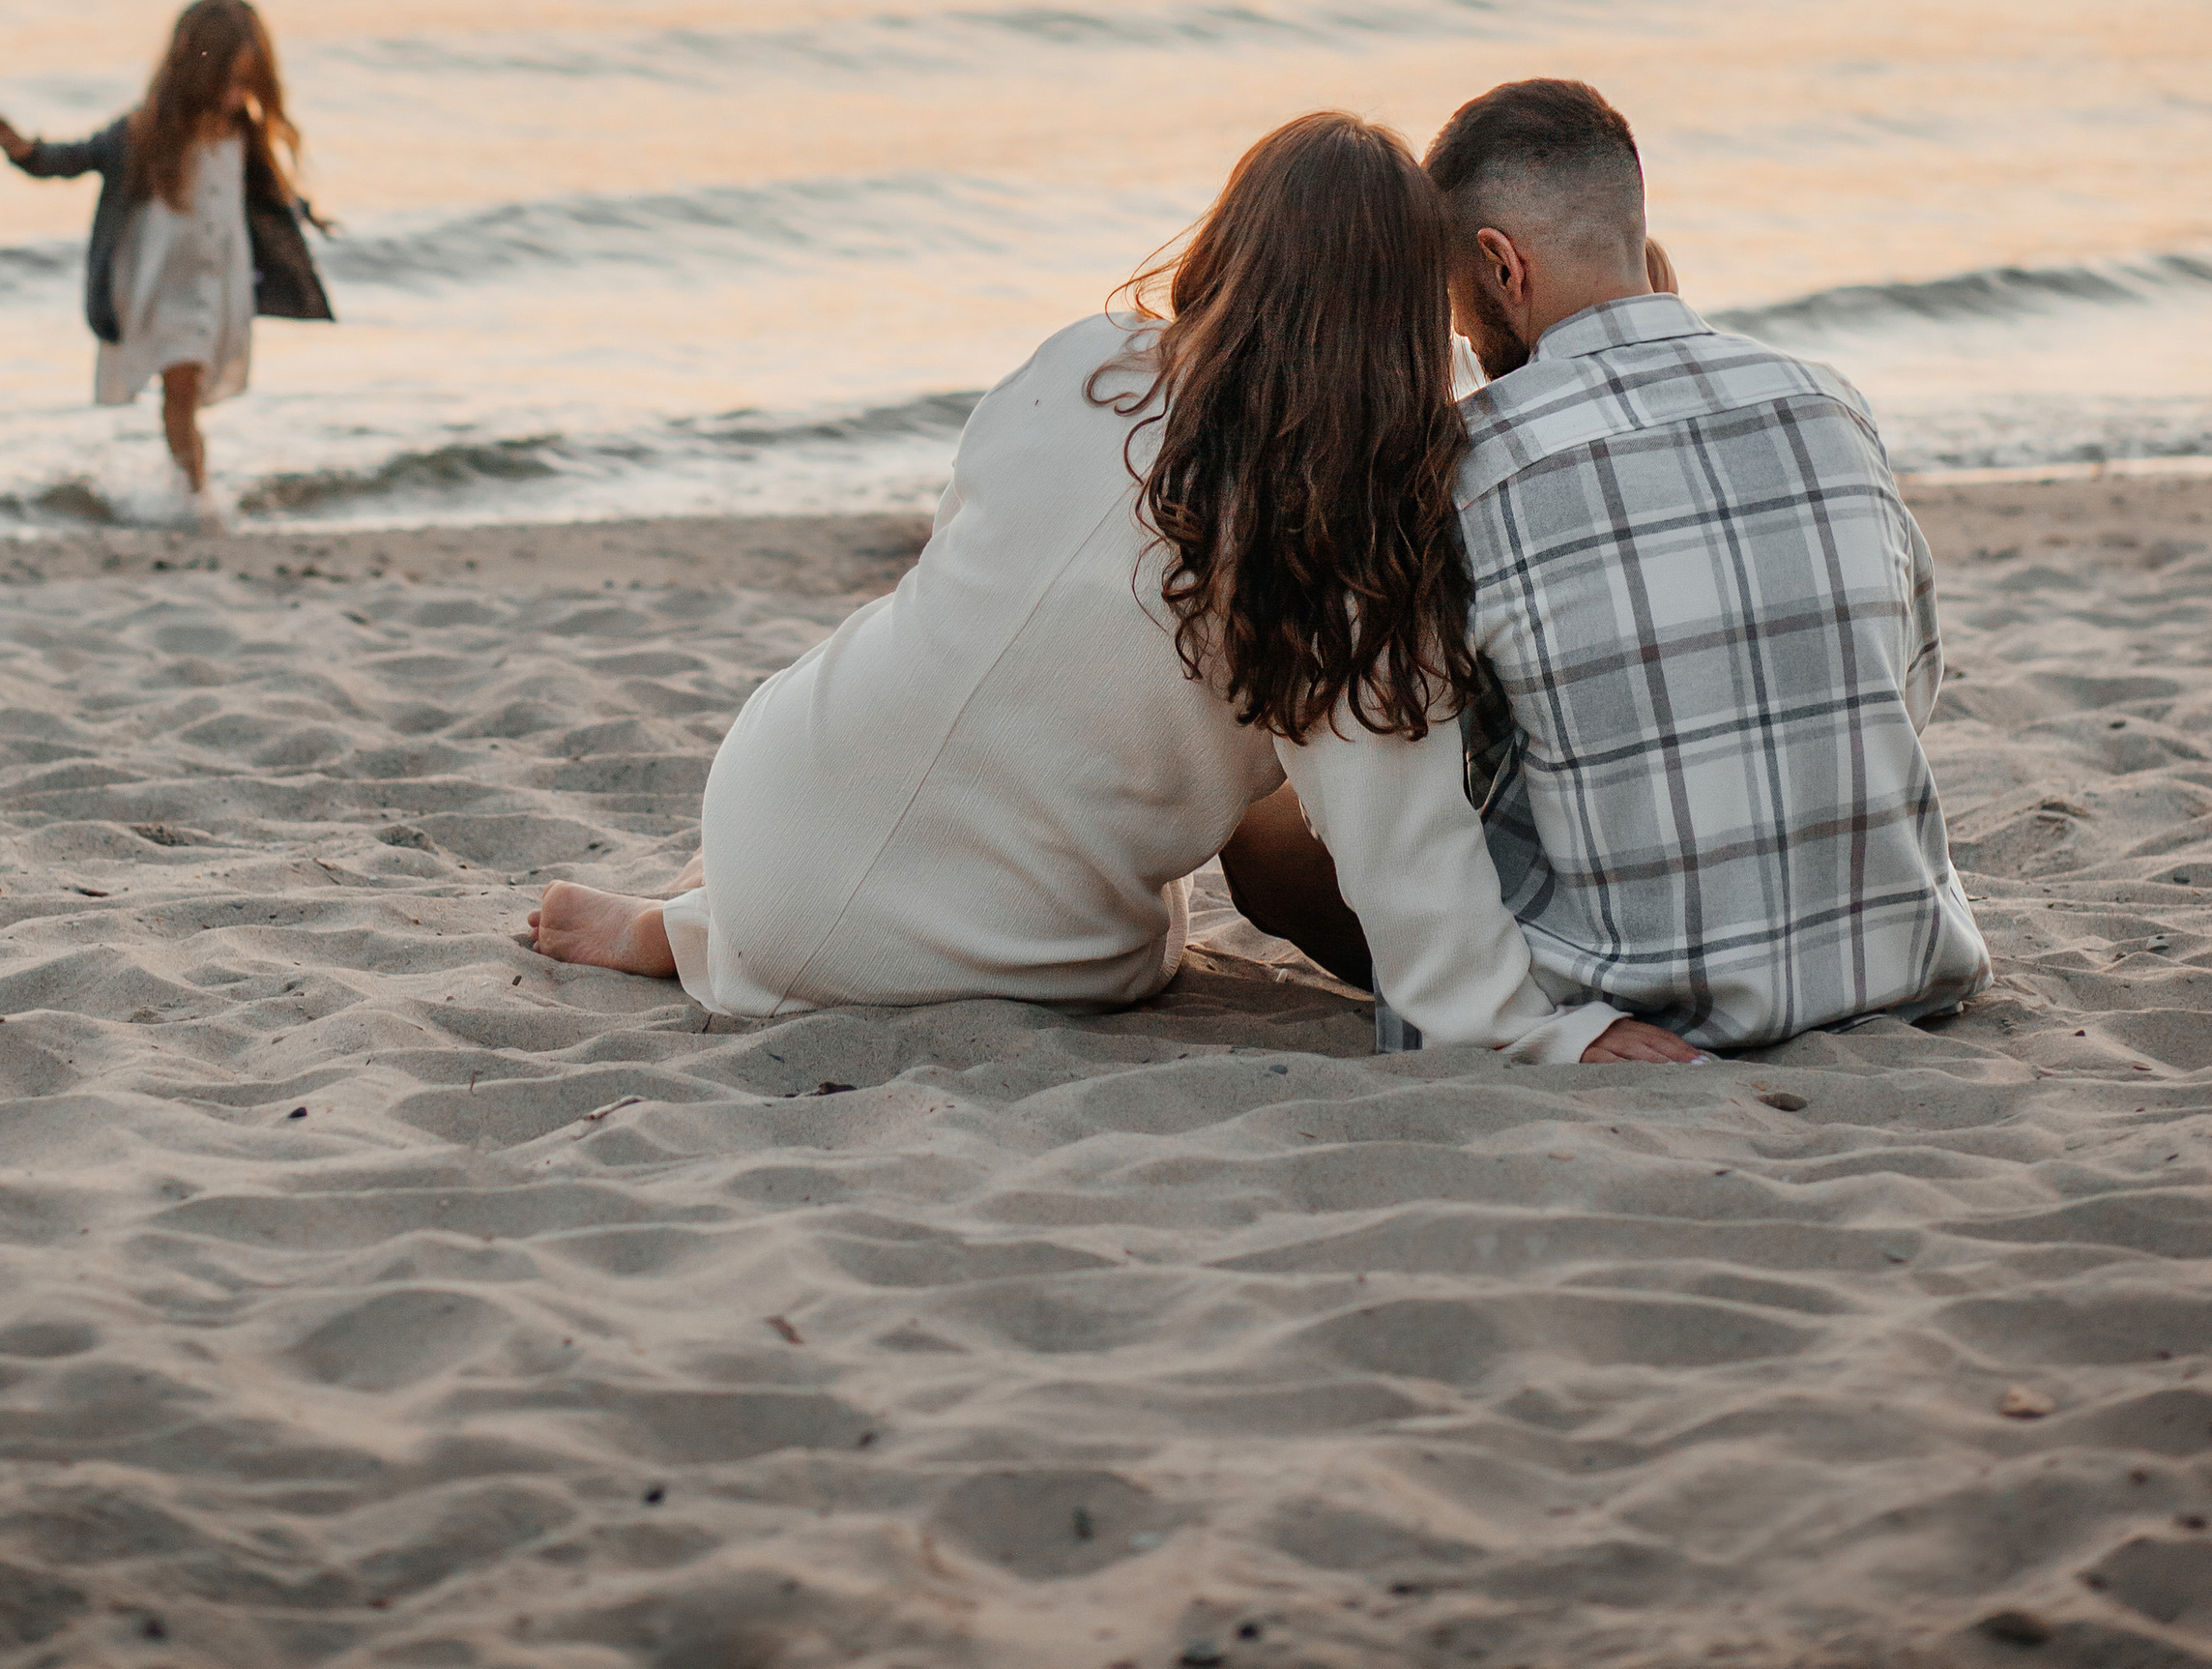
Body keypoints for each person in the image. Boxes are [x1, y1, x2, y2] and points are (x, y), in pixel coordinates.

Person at [520, 110, 1694, 1066]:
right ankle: (734, 926)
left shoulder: (1076, 363)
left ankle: (701, 921)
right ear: (1405, 317)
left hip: (765, 790)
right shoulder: (1350, 550)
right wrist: (1553, 1033)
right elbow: (1408, 863)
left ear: (1230, 241)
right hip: (971, 952)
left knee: (958, 686)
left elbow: (976, 574)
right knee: (1158, 926)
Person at [1225, 77, 1990, 1050]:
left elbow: (1405, 764)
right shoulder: (1824, 399)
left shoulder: (1466, 461)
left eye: (1458, 298)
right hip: (1899, 962)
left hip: (1637, 1004)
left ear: (1501, 266)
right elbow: (1906, 682)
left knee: (1272, 839)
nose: (1459, 332)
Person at [0, 0, 332, 496]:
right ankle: (194, 495)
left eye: (248, 83)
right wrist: (28, 154)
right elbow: (76, 157)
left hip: (217, 286)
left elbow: (266, 192)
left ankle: (185, 485)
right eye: (229, 82)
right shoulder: (142, 132)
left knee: (186, 391)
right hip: (163, 286)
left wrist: (302, 212)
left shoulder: (242, 132)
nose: (238, 95)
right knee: (181, 385)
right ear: (197, 74)